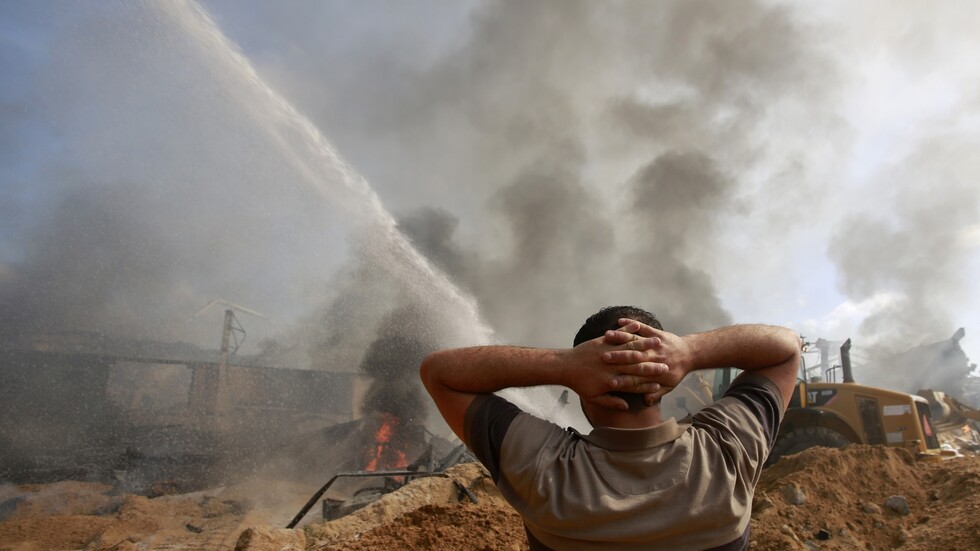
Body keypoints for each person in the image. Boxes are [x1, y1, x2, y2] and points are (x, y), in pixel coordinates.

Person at [419, 306, 800, 550]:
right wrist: (690, 351)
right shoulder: (726, 452)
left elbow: (439, 373)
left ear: (586, 389)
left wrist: (562, 365)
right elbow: (786, 348)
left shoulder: (543, 469)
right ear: (665, 383)